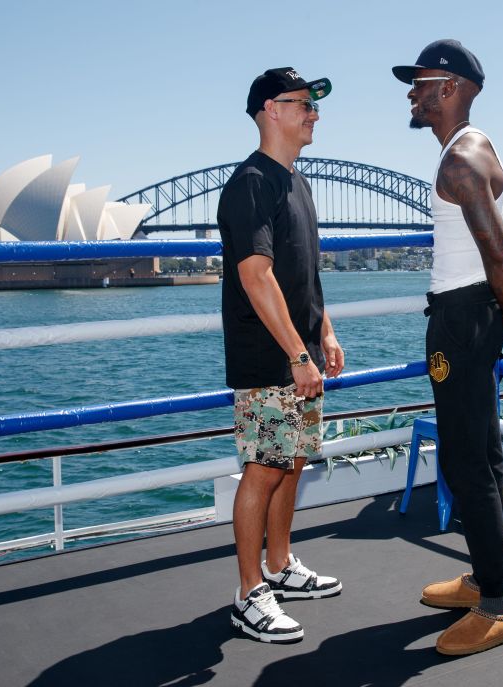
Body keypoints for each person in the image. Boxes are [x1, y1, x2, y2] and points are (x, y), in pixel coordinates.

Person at [392, 39, 503, 656]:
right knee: (482, 450)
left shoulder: (460, 161)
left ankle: (498, 607)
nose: (413, 93)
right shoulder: (474, 147)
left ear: (450, 88)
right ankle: (487, 577)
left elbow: (499, 253)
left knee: (462, 461)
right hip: (471, 314)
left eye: (422, 83)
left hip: (461, 319)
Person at [218, 67, 344, 644]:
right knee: (263, 467)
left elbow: (303, 274)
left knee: (292, 462)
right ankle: (248, 592)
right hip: (269, 356)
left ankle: (280, 565)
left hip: (300, 353)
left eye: (314, 105)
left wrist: (326, 335)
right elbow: (256, 276)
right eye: (303, 104)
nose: (313, 113)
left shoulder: (298, 183)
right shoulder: (251, 184)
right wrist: (297, 353)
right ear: (271, 109)